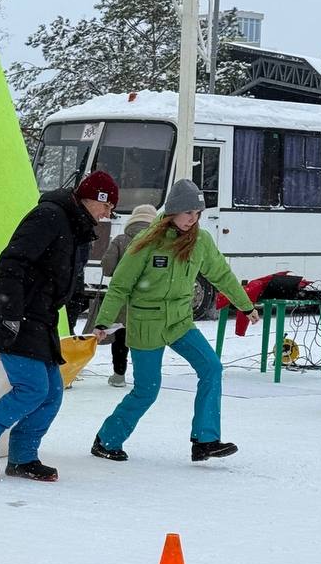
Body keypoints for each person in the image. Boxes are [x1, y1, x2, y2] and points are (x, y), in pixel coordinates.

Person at [0, 170, 118, 481]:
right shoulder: (49, 216)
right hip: (16, 316)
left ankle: (23, 457)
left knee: (51, 393)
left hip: (40, 319)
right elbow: (11, 263)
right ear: (91, 199)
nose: (107, 213)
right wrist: (10, 313)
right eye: (106, 205)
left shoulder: (75, 226)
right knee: (32, 388)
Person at [91, 180, 258, 464]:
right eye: (188, 212)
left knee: (211, 368)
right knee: (147, 390)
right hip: (147, 322)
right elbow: (120, 285)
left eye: (198, 213)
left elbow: (221, 274)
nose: (193, 218)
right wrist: (103, 322)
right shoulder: (147, 241)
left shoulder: (201, 241)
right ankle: (106, 440)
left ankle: (205, 440)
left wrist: (245, 305)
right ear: (172, 211)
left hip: (180, 321)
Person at [99, 204, 157, 387]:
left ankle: (119, 375)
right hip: (148, 301)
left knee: (121, 338)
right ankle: (146, 378)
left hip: (123, 300)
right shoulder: (159, 243)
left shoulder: (121, 240)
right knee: (145, 340)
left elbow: (107, 268)